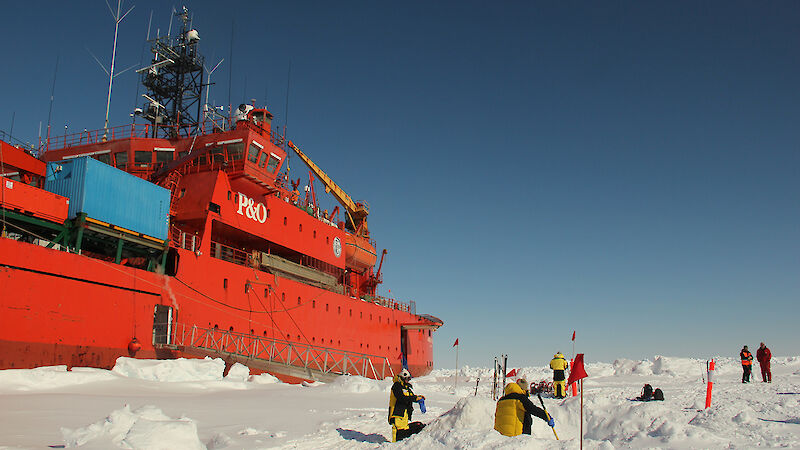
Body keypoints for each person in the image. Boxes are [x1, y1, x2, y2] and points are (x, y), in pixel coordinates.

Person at [388, 369, 425, 442]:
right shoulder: (396, 386)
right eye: (407, 379)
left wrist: (419, 398)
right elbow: (401, 398)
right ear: (402, 378)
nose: (408, 381)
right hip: (397, 415)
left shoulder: (406, 388)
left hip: (404, 416)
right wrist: (414, 398)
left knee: (419, 426)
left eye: (409, 379)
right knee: (398, 435)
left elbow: (411, 396)